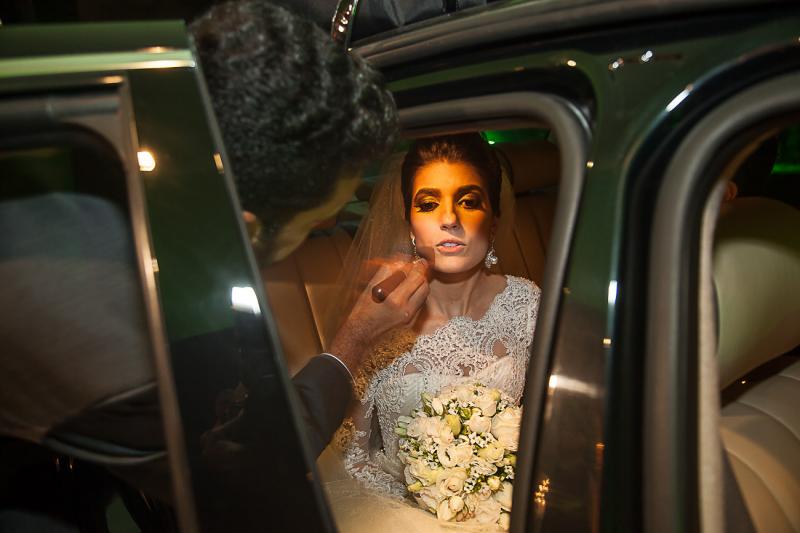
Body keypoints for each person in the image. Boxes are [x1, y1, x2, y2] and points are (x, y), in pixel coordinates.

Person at [0, 0, 423, 519]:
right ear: (245, 226)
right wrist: (353, 340)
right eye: (318, 223)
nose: (335, 226)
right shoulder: (129, 352)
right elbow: (249, 470)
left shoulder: (105, 156)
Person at [320, 133, 540, 532]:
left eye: (468, 201)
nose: (449, 219)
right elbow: (354, 460)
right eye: (428, 203)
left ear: (493, 220)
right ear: (410, 223)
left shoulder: (527, 305)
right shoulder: (378, 321)